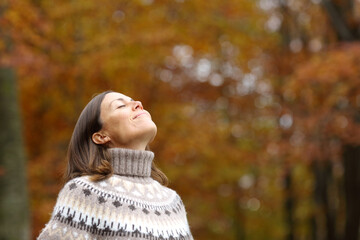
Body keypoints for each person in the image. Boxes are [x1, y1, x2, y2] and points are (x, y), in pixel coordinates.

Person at [37, 91, 193, 240]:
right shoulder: (85, 193)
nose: (138, 104)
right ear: (101, 136)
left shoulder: (172, 202)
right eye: (120, 106)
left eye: (134, 101)